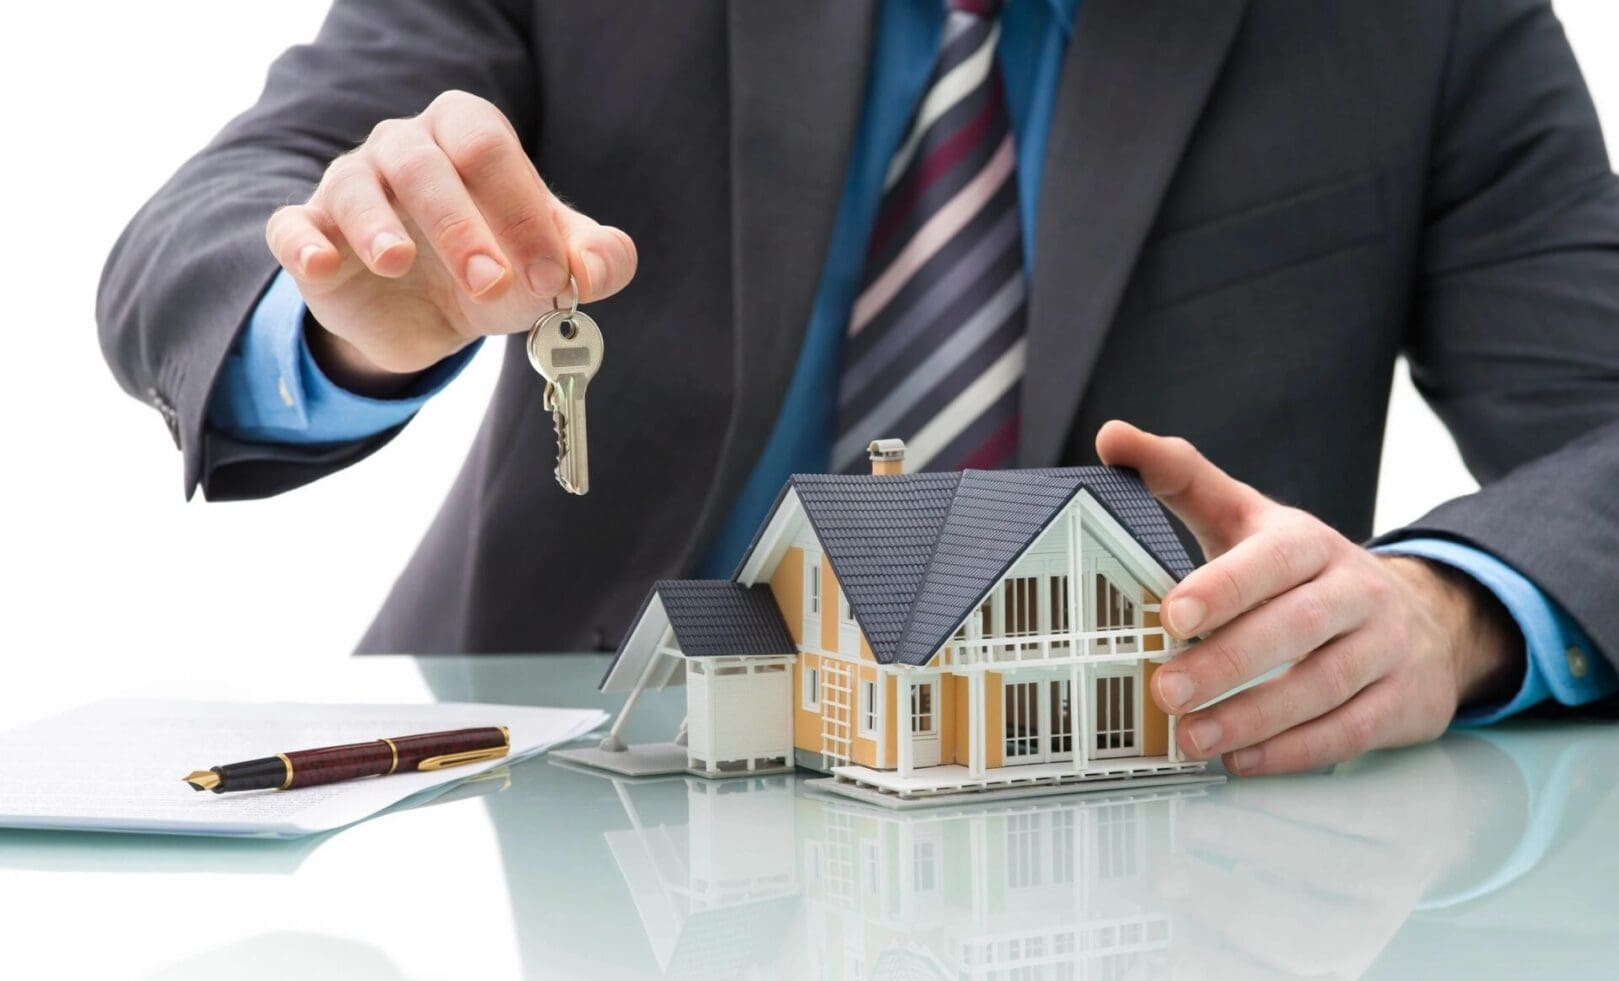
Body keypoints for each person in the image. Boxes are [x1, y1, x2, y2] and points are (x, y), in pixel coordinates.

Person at [98, 0, 1619, 776]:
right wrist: (350, 304)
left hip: (1154, 855)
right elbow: (216, 218)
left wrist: (1454, 610)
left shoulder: (1429, 21)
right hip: (556, 791)